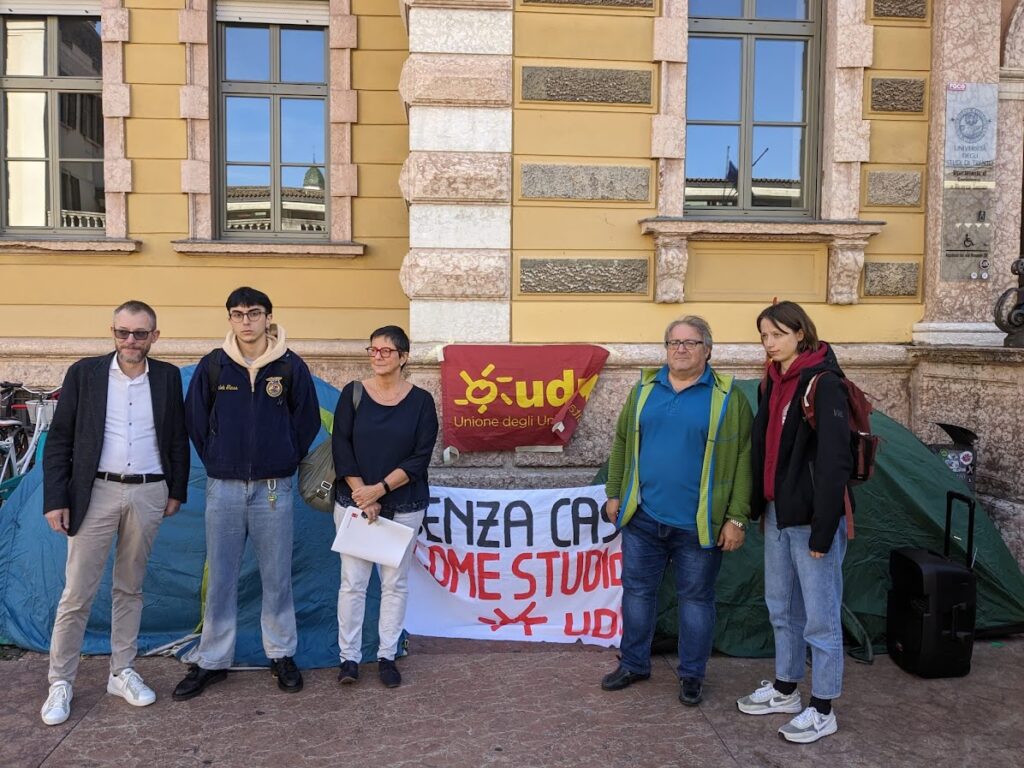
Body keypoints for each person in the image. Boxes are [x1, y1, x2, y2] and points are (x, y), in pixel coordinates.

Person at [39, 301, 189, 726]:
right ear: (113, 332)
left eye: (140, 334)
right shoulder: (84, 374)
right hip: (95, 492)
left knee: (130, 587)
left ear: (154, 337)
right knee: (77, 594)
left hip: (148, 492)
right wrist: (56, 499)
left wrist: (174, 490)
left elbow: (177, 437)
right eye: (123, 332)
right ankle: (60, 681)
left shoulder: (166, 377)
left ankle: (121, 671)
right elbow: (60, 440)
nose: (130, 341)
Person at [174, 287, 320, 700]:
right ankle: (213, 659)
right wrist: (221, 459)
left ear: (268, 317)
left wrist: (284, 455)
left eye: (254, 313)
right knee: (221, 576)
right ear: (230, 319)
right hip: (223, 488)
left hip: (275, 488)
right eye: (237, 314)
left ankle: (281, 653)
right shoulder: (214, 366)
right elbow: (197, 422)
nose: (246, 321)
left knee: (276, 577)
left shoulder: (290, 367)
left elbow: (306, 422)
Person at [602, 316, 753, 706]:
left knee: (696, 600)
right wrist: (614, 492)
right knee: (637, 593)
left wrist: (736, 517)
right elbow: (622, 443)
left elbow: (742, 460)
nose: (681, 349)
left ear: (708, 350)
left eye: (690, 342)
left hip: (698, 525)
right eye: (673, 342)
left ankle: (691, 675)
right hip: (643, 518)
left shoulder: (727, 397)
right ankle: (634, 663)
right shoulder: (644, 389)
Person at [736, 300, 852, 744]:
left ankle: (823, 707)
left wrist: (824, 527)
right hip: (777, 514)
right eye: (764, 335)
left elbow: (834, 460)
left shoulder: (823, 383)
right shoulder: (772, 381)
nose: (769, 343)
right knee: (781, 608)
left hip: (811, 521)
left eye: (777, 334)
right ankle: (786, 688)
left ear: (800, 333)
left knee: (820, 618)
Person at [332, 325, 438, 689]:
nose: (377, 356)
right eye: (372, 350)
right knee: (353, 584)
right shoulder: (353, 393)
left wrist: (379, 490)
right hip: (354, 502)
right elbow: (340, 447)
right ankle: (349, 659)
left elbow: (419, 457)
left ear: (404, 357)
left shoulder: (422, 402)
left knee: (394, 584)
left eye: (386, 351)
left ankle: (387, 656)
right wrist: (363, 493)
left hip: (403, 504)